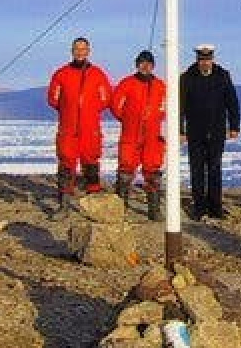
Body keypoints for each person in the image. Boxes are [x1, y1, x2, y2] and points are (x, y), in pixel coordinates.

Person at [179, 44, 240, 220]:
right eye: (202, 60)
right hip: (195, 131)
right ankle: (199, 207)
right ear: (197, 60)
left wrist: (234, 126)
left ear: (212, 59)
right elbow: (180, 106)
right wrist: (180, 130)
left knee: (214, 168)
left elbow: (232, 102)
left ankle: (215, 207)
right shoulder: (187, 78)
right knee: (197, 170)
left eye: (207, 59)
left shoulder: (222, 76)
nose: (205, 63)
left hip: (216, 131)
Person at [47, 37, 113, 199]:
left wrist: (89, 111)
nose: (80, 52)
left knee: (91, 159)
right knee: (66, 160)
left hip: (90, 128)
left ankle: (94, 195)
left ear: (88, 51)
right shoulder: (61, 74)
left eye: (83, 49)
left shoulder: (98, 74)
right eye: (77, 49)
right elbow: (53, 99)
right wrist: (69, 109)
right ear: (72, 51)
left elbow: (105, 99)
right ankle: (65, 198)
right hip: (68, 128)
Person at [111, 50, 167, 221]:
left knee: (153, 171)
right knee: (125, 170)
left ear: (153, 66)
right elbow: (115, 105)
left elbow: (165, 108)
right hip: (131, 134)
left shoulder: (160, 86)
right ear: (137, 65)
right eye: (142, 63)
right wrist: (128, 119)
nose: (145, 66)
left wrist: (155, 120)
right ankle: (120, 208)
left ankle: (154, 210)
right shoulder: (126, 83)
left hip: (152, 136)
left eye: (149, 63)